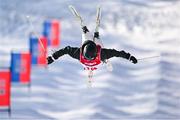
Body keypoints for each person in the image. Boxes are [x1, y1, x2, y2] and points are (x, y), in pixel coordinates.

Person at [47, 25, 138, 68]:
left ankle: (89, 33)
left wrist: (53, 58)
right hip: (96, 61)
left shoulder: (78, 53)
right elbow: (117, 53)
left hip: (90, 61)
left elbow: (65, 50)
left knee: (92, 41)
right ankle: (90, 33)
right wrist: (129, 57)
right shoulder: (102, 54)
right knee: (93, 41)